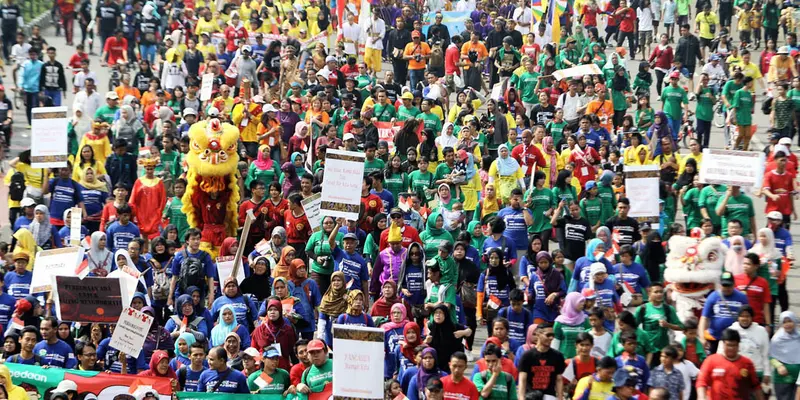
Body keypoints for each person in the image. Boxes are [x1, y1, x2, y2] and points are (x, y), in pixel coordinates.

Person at [697, 328, 764, 400]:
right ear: (723, 344)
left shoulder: (747, 363)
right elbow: (701, 381)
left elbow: (756, 386)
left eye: (734, 345)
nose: (731, 348)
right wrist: (701, 397)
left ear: (738, 345)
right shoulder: (711, 361)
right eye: (728, 345)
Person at [517, 323, 565, 399]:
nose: (551, 338)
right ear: (538, 334)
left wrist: (560, 397)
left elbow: (559, 379)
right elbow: (522, 379)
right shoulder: (527, 356)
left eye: (553, 335)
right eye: (548, 335)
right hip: (531, 396)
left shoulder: (558, 356)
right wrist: (521, 397)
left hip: (549, 396)